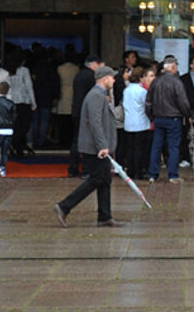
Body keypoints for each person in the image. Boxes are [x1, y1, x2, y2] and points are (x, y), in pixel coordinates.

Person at [52, 65, 122, 227]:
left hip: (97, 147)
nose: (113, 80)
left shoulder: (99, 94)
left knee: (104, 180)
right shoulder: (96, 96)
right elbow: (95, 123)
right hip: (94, 148)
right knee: (97, 179)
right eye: (112, 77)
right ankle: (64, 206)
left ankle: (105, 216)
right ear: (105, 79)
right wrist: (103, 146)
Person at [148, 55, 192, 183]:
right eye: (176, 66)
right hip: (173, 118)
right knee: (173, 147)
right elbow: (183, 102)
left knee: (156, 146)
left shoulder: (155, 81)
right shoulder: (176, 82)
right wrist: (189, 114)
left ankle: (153, 174)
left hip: (158, 118)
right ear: (172, 67)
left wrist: (151, 116)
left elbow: (148, 102)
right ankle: (172, 175)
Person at [69, 55, 101, 177]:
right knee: (87, 141)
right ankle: (86, 170)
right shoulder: (91, 76)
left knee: (76, 140)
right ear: (93, 64)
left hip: (76, 110)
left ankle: (73, 168)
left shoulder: (79, 74)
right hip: (85, 112)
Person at [122, 66, 152, 181]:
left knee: (130, 149)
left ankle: (130, 170)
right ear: (141, 77)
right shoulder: (142, 91)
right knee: (139, 149)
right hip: (141, 123)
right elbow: (147, 106)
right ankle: (138, 172)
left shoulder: (127, 90)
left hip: (129, 124)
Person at [9, 58, 36, 159]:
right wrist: (33, 102)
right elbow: (29, 86)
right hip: (23, 100)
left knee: (17, 126)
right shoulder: (24, 70)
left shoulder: (8, 71)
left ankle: (19, 150)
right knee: (25, 126)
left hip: (12, 101)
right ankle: (13, 142)